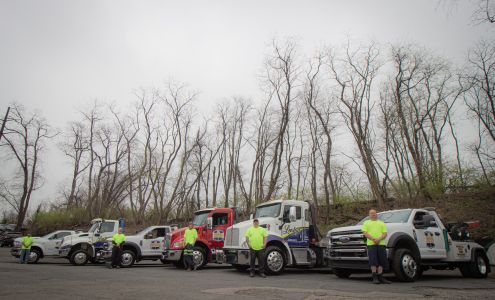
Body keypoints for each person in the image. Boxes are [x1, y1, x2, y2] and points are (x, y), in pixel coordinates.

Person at [362, 209, 391, 284]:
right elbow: (365, 233)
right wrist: (373, 239)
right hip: (371, 245)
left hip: (381, 244)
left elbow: (384, 234)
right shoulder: (366, 223)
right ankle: (375, 278)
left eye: (374, 213)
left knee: (382, 261)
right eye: (371, 213)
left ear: (376, 214)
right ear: (369, 215)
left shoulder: (381, 223)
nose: (373, 214)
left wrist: (378, 239)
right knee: (373, 261)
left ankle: (381, 277)